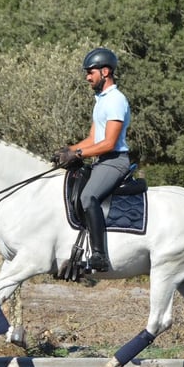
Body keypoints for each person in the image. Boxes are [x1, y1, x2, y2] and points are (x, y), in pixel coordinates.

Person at [54, 47, 131, 272]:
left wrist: (77, 155)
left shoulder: (116, 100)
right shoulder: (101, 100)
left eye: (91, 72)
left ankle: (99, 255)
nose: (88, 77)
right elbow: (92, 138)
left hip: (115, 160)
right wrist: (67, 150)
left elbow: (108, 143)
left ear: (105, 71)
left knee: (88, 196)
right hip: (102, 161)